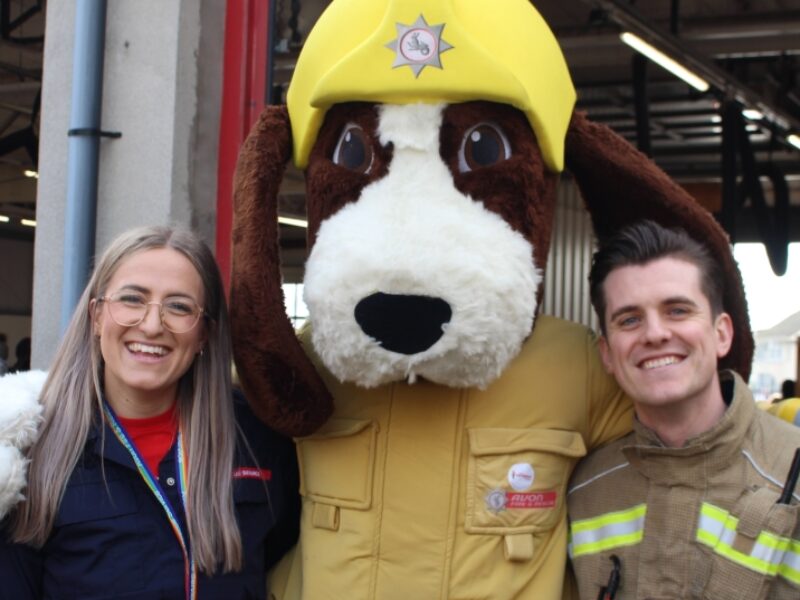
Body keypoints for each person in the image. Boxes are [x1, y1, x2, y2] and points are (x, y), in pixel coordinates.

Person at [0, 226, 300, 599]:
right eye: (132, 299)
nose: (153, 325)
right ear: (96, 315)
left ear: (204, 333)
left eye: (179, 307)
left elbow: (281, 552)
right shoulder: (31, 449)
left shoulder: (256, 436)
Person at [567, 220, 800, 600]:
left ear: (722, 333)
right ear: (607, 354)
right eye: (629, 319)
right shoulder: (585, 490)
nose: (655, 333)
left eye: (677, 310)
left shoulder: (792, 466)